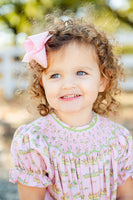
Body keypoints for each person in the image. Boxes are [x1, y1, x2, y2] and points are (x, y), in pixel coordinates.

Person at [9, 17, 133, 200]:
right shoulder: (34, 142)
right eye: (55, 75)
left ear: (102, 81)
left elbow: (126, 195)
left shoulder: (118, 140)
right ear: (42, 83)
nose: (68, 85)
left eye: (81, 73)